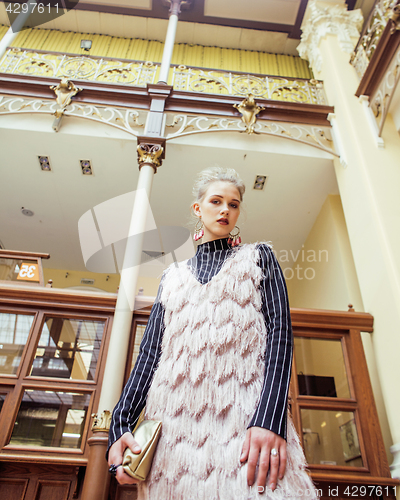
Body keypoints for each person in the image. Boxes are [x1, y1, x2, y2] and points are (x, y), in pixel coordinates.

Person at [107, 167, 319, 499]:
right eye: (216, 201)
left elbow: (281, 335)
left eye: (233, 205)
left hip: (246, 417)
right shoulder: (172, 276)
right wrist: (119, 425)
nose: (225, 210)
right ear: (198, 208)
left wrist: (270, 419)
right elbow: (150, 355)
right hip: (173, 429)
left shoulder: (259, 257)